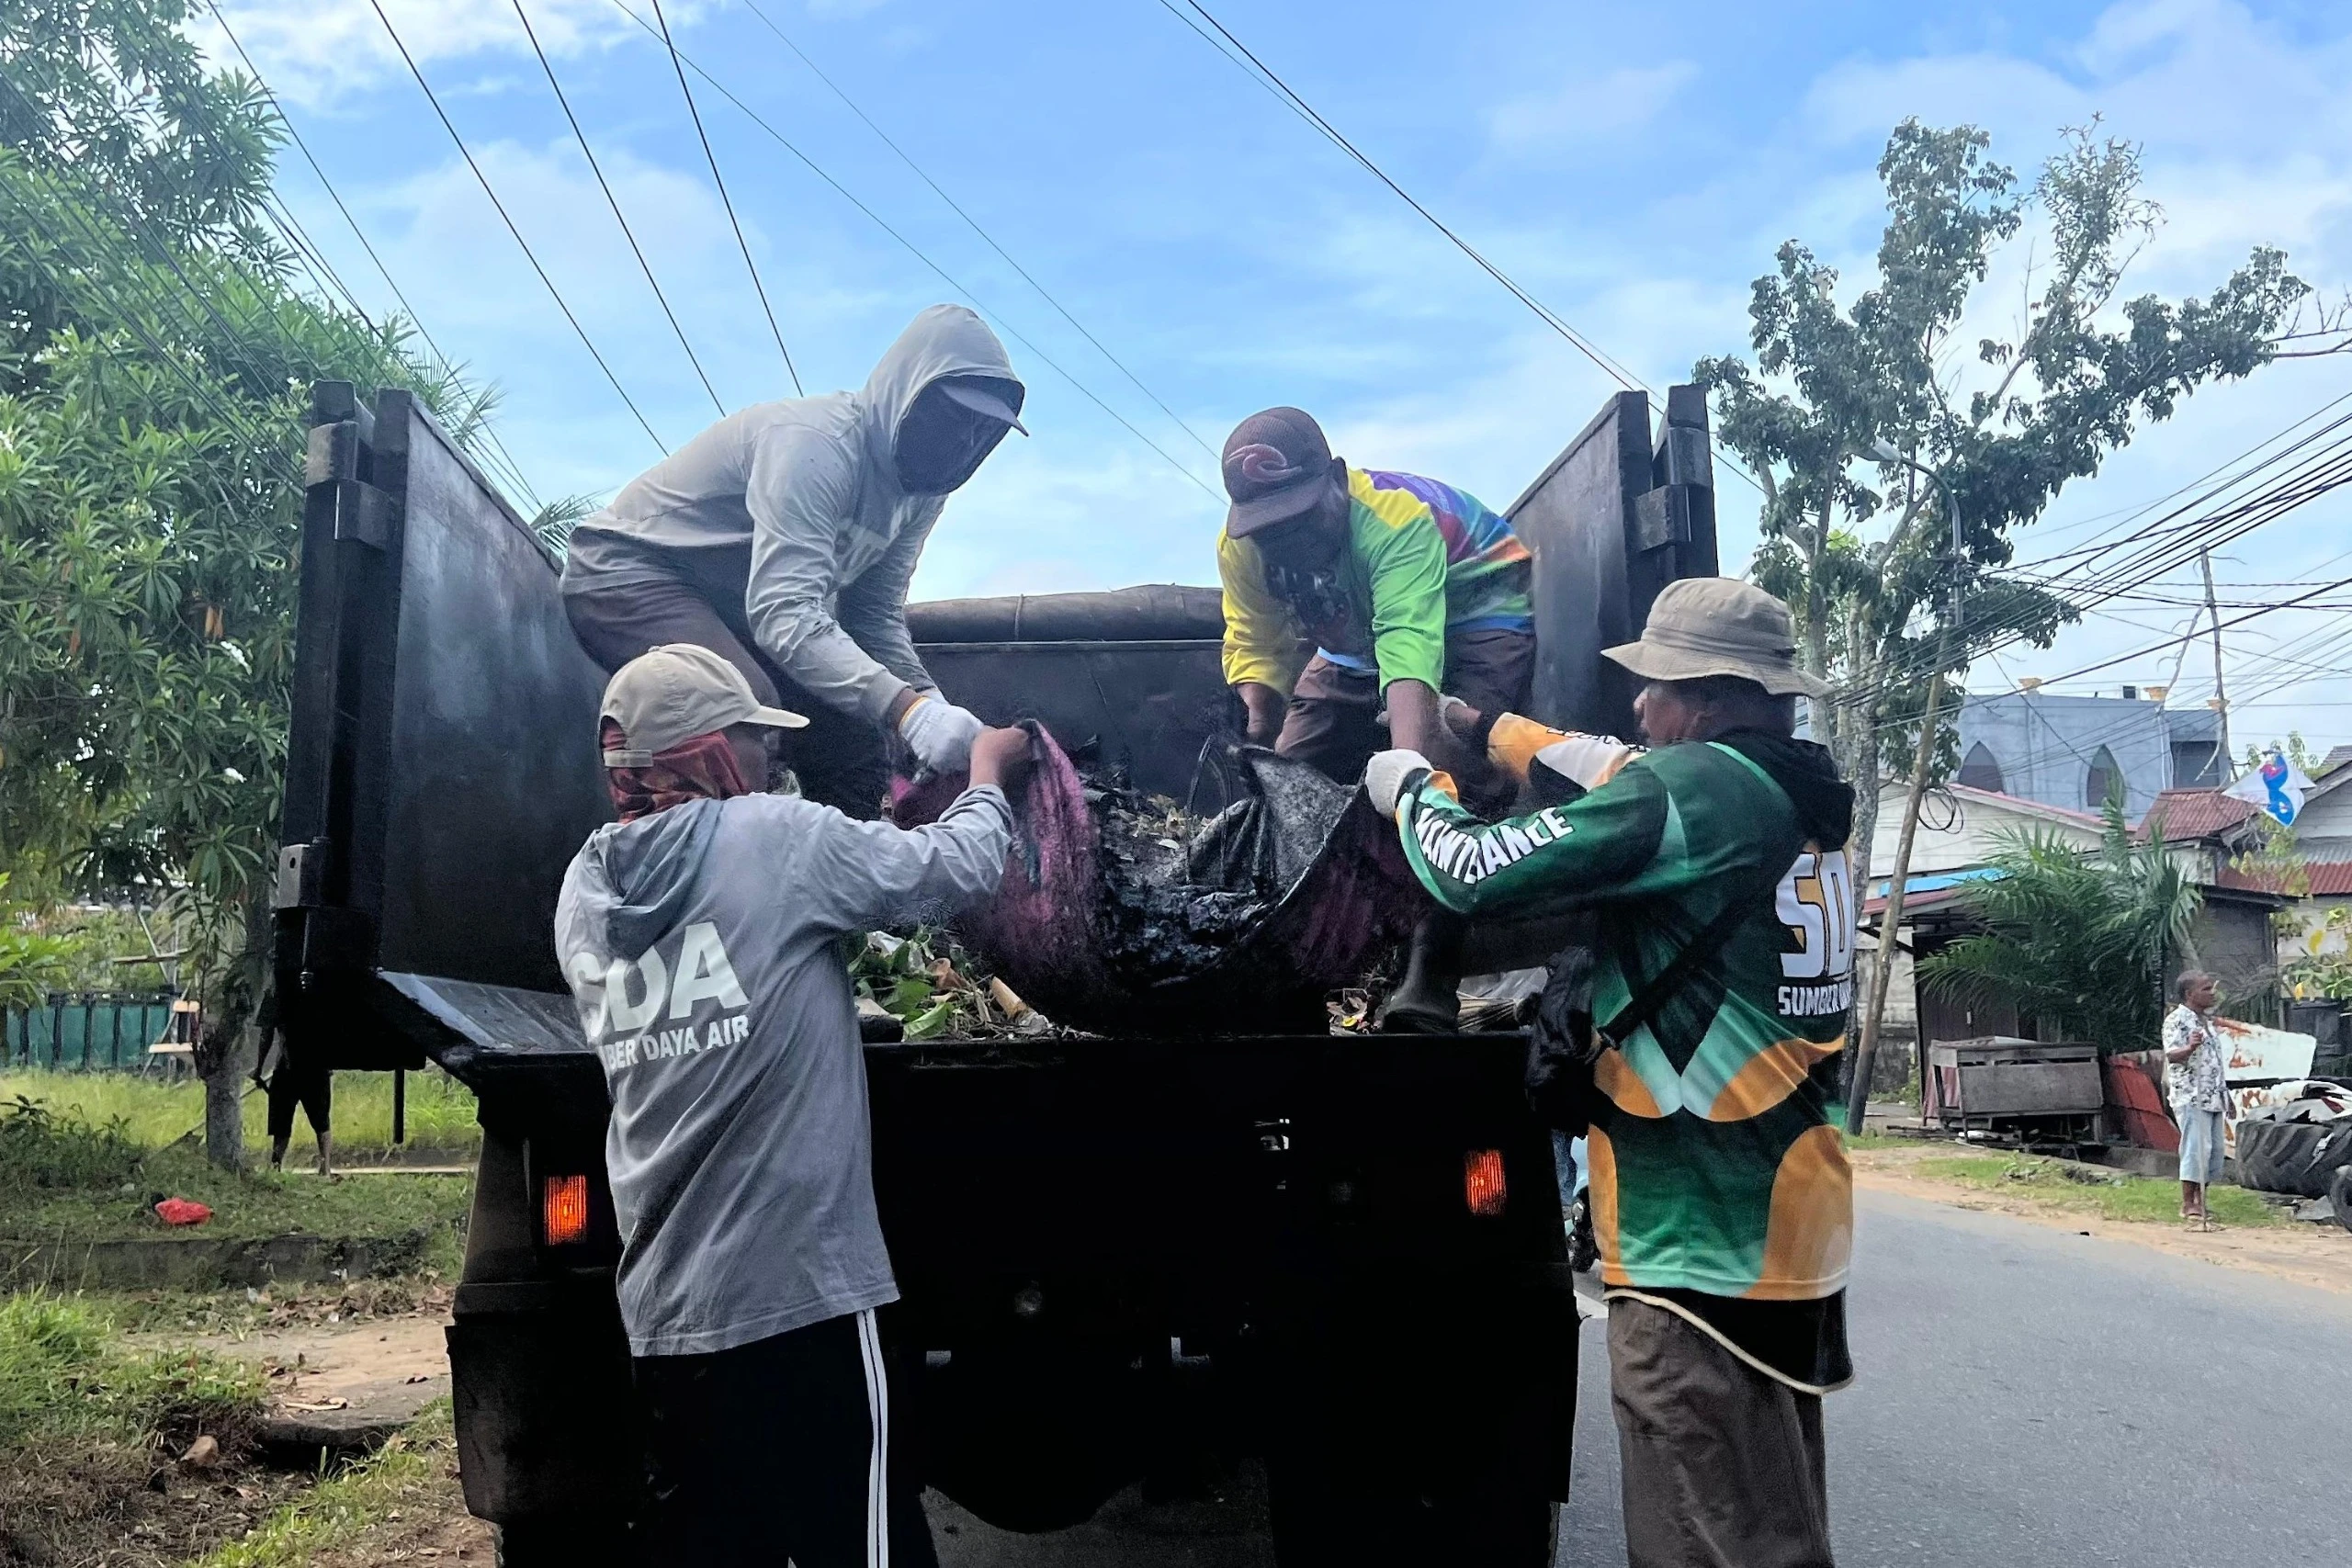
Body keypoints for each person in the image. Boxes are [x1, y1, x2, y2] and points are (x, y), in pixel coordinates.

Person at [1363, 577, 1853, 1568]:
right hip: (1788, 1222)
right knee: (1772, 1523)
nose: (1638, 703)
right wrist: (1492, 726)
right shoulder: (1792, 795)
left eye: (1655, 685)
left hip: (1693, 1240)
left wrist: (1413, 786)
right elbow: (1606, 763)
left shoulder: (1694, 789)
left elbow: (1472, 869)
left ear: (1708, 699)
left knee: (1699, 1534)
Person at [553, 642, 1032, 1567]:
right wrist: (985, 773)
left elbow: (721, 971)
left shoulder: (584, 890)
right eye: (749, 741)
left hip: (663, 1320)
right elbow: (955, 870)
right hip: (801, 1306)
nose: (769, 762)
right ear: (704, 754)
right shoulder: (773, 837)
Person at [561, 305, 1026, 814]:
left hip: (730, 616)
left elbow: (872, 616)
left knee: (855, 736)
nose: (966, 442)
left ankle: (859, 877)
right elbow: (783, 611)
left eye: (985, 431)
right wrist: (907, 712)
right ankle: (734, 879)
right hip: (626, 575)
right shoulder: (818, 446)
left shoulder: (920, 495)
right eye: (954, 419)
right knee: (744, 714)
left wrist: (926, 703)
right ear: (906, 396)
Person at [1215, 406, 1532, 791]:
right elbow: (1255, 638)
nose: (1292, 545)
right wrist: (1261, 732)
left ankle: (1483, 818)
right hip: (1357, 639)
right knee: (1289, 779)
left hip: (1474, 616)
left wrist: (1410, 778)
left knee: (1446, 755)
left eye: (1302, 518)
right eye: (1271, 531)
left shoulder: (1396, 521)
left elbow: (1407, 638)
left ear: (1336, 478)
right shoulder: (1241, 547)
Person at [2164, 970, 2227, 1231]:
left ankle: (2201, 1202)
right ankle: (2188, 1204)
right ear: (2190, 994)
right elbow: (2171, 1055)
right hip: (2191, 1095)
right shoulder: (2176, 1020)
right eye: (2205, 989)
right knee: (2195, 1149)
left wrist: (2226, 1093)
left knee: (2212, 1152)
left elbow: (2214, 1061)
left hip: (2213, 1095)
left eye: (2212, 988)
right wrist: (2189, 1047)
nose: (2212, 993)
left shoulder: (2207, 1022)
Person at [253, 996, 332, 1176]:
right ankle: (279, 1166)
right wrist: (258, 1068)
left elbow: (266, 1034)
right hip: (296, 1067)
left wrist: (259, 1068)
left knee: (318, 1120)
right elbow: (266, 1033)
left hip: (307, 1066)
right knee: (293, 1121)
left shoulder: (280, 993)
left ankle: (323, 1167)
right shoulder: (278, 994)